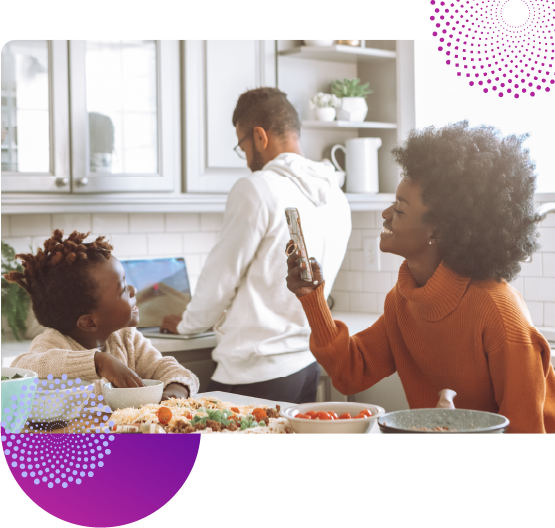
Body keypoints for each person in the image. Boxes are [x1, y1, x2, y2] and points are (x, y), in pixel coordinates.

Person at [286, 122, 555, 434]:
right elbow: (351, 370)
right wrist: (312, 298)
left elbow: (524, 437)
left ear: (438, 231)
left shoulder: (498, 311)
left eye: (400, 210)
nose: (385, 214)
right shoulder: (403, 300)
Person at [161, 87, 351, 403]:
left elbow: (219, 279)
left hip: (254, 373)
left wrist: (186, 324)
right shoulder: (335, 196)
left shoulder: (257, 188)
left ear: (260, 136)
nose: (247, 158)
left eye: (243, 145)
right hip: (306, 367)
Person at [6, 229, 199, 401]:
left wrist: (174, 392)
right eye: (122, 289)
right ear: (89, 321)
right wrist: (99, 362)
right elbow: (23, 366)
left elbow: (170, 370)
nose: (133, 289)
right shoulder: (52, 344)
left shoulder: (126, 338)